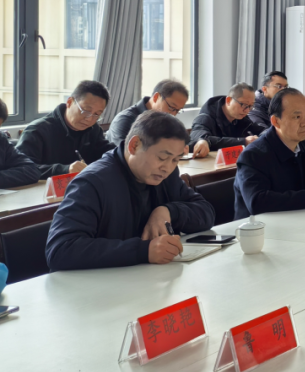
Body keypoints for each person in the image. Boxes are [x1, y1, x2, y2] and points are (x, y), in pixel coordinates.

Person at [45, 111, 215, 271]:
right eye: (162, 158)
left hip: (147, 278)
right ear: (134, 145)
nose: (167, 167)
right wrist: (143, 251)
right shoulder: (92, 182)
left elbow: (206, 212)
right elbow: (60, 250)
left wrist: (168, 211)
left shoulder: (166, 175)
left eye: (175, 160)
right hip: (100, 286)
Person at [234, 88, 305, 219]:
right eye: (297, 117)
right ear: (276, 121)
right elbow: (257, 202)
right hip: (260, 228)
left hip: (301, 221)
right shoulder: (253, 155)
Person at [17, 80, 115, 180]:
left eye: (97, 114)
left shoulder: (93, 129)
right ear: (69, 102)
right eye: (86, 110)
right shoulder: (37, 131)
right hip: (44, 188)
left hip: (82, 186)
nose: (89, 119)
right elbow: (23, 169)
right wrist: (65, 170)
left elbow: (108, 152)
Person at [248, 70, 305, 135]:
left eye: (286, 87)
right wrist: (299, 130)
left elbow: (301, 122)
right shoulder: (252, 107)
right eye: (279, 86)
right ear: (265, 89)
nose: (283, 90)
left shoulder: (286, 103)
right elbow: (263, 133)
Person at [105, 79, 190, 146]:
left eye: (178, 110)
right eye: (171, 107)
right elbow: (123, 153)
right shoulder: (125, 120)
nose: (173, 114)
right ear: (156, 97)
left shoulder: (166, 120)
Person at [189, 83, 259, 158]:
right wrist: (243, 142)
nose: (247, 110)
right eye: (244, 104)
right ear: (228, 100)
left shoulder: (241, 117)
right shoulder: (206, 117)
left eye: (250, 106)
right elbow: (200, 136)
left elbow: (260, 130)